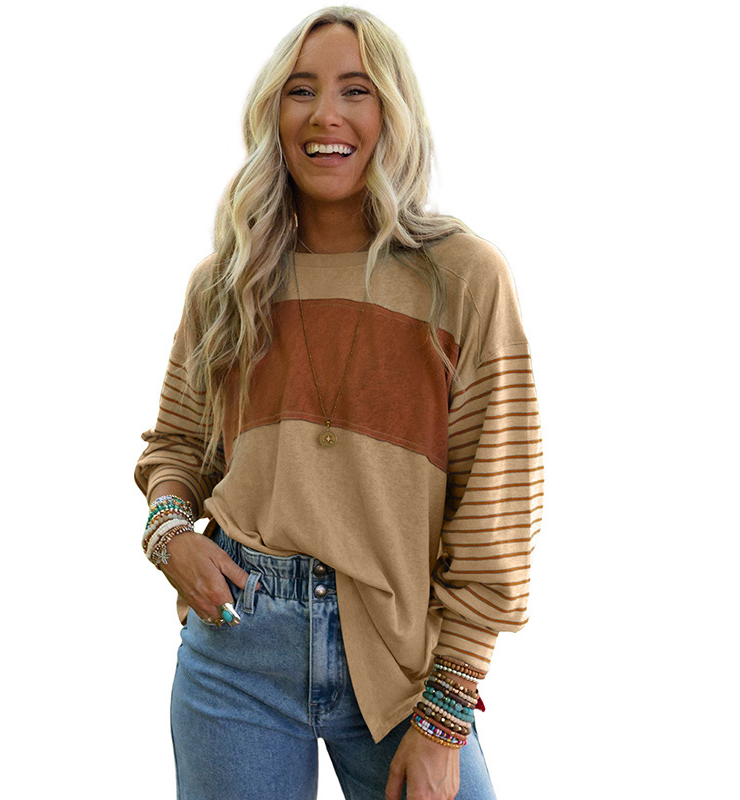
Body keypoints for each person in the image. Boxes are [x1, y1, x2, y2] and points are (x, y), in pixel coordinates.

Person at [134, 6, 543, 799]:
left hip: (400, 662)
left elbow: (498, 506)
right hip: (237, 647)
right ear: (273, 115)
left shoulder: (463, 278)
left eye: (357, 90)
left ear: (394, 113)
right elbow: (176, 448)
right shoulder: (226, 284)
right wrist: (170, 535)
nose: (326, 115)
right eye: (301, 91)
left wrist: (445, 715)